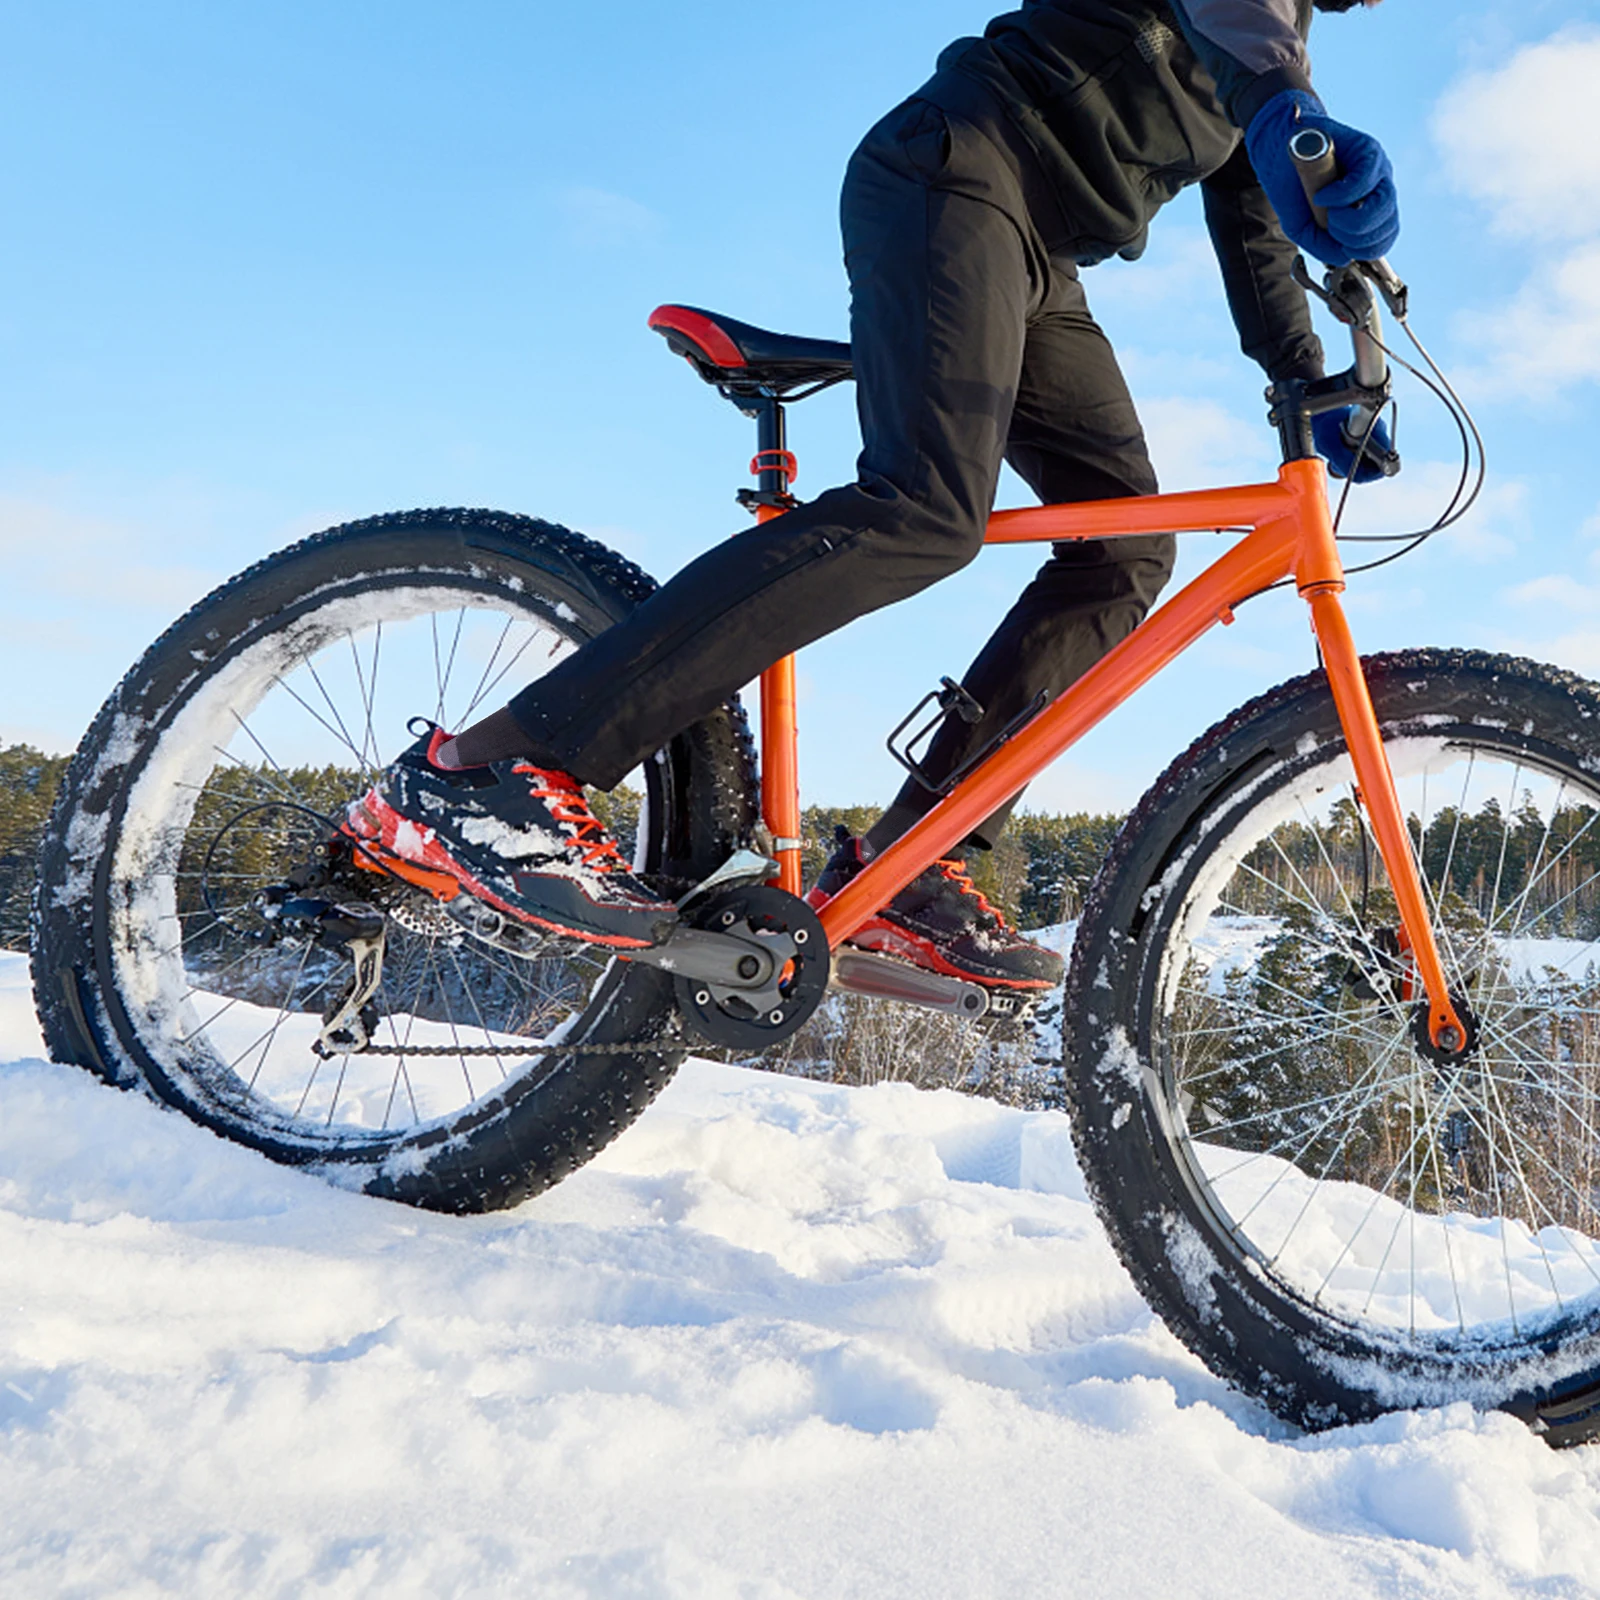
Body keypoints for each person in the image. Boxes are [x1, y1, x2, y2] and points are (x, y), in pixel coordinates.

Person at [343, 0, 1400, 990]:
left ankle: (912, 861)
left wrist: (1305, 382)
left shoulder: (1278, 43)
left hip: (1043, 260)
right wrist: (1283, 103)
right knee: (925, 505)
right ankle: (491, 767)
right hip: (953, 171)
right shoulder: (1259, 39)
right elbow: (1243, 41)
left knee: (1126, 551)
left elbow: (1256, 219)